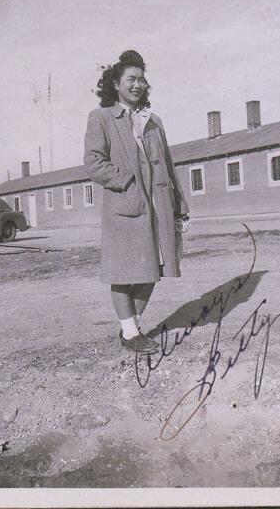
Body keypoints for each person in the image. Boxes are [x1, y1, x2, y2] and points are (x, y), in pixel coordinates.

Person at [84, 50, 189, 354]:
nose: (138, 85)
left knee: (154, 269)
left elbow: (168, 167)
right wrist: (127, 182)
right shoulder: (101, 117)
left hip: (159, 207)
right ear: (116, 83)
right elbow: (93, 161)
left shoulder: (153, 121)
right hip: (124, 208)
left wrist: (179, 207)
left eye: (142, 80)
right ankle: (131, 333)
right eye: (131, 79)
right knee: (122, 272)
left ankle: (131, 328)